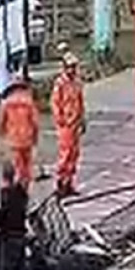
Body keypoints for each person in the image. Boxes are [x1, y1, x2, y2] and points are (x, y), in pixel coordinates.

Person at [0, 160, 31, 270]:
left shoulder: (6, 194)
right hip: (21, 235)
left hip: (9, 236)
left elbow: (3, 214)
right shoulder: (20, 193)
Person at [50, 53, 86, 196]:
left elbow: (80, 102)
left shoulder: (77, 83)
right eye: (69, 67)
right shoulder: (60, 84)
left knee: (74, 154)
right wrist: (60, 120)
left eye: (73, 67)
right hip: (66, 124)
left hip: (75, 123)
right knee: (65, 153)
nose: (71, 70)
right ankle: (60, 183)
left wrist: (82, 120)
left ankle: (69, 182)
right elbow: (55, 103)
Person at [0, 77, 41, 187]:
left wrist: (3, 132)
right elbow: (35, 121)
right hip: (27, 136)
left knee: (17, 162)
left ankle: (19, 182)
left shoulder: (7, 103)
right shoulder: (29, 102)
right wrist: (35, 136)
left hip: (13, 137)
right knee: (27, 163)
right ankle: (25, 183)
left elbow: (2, 120)